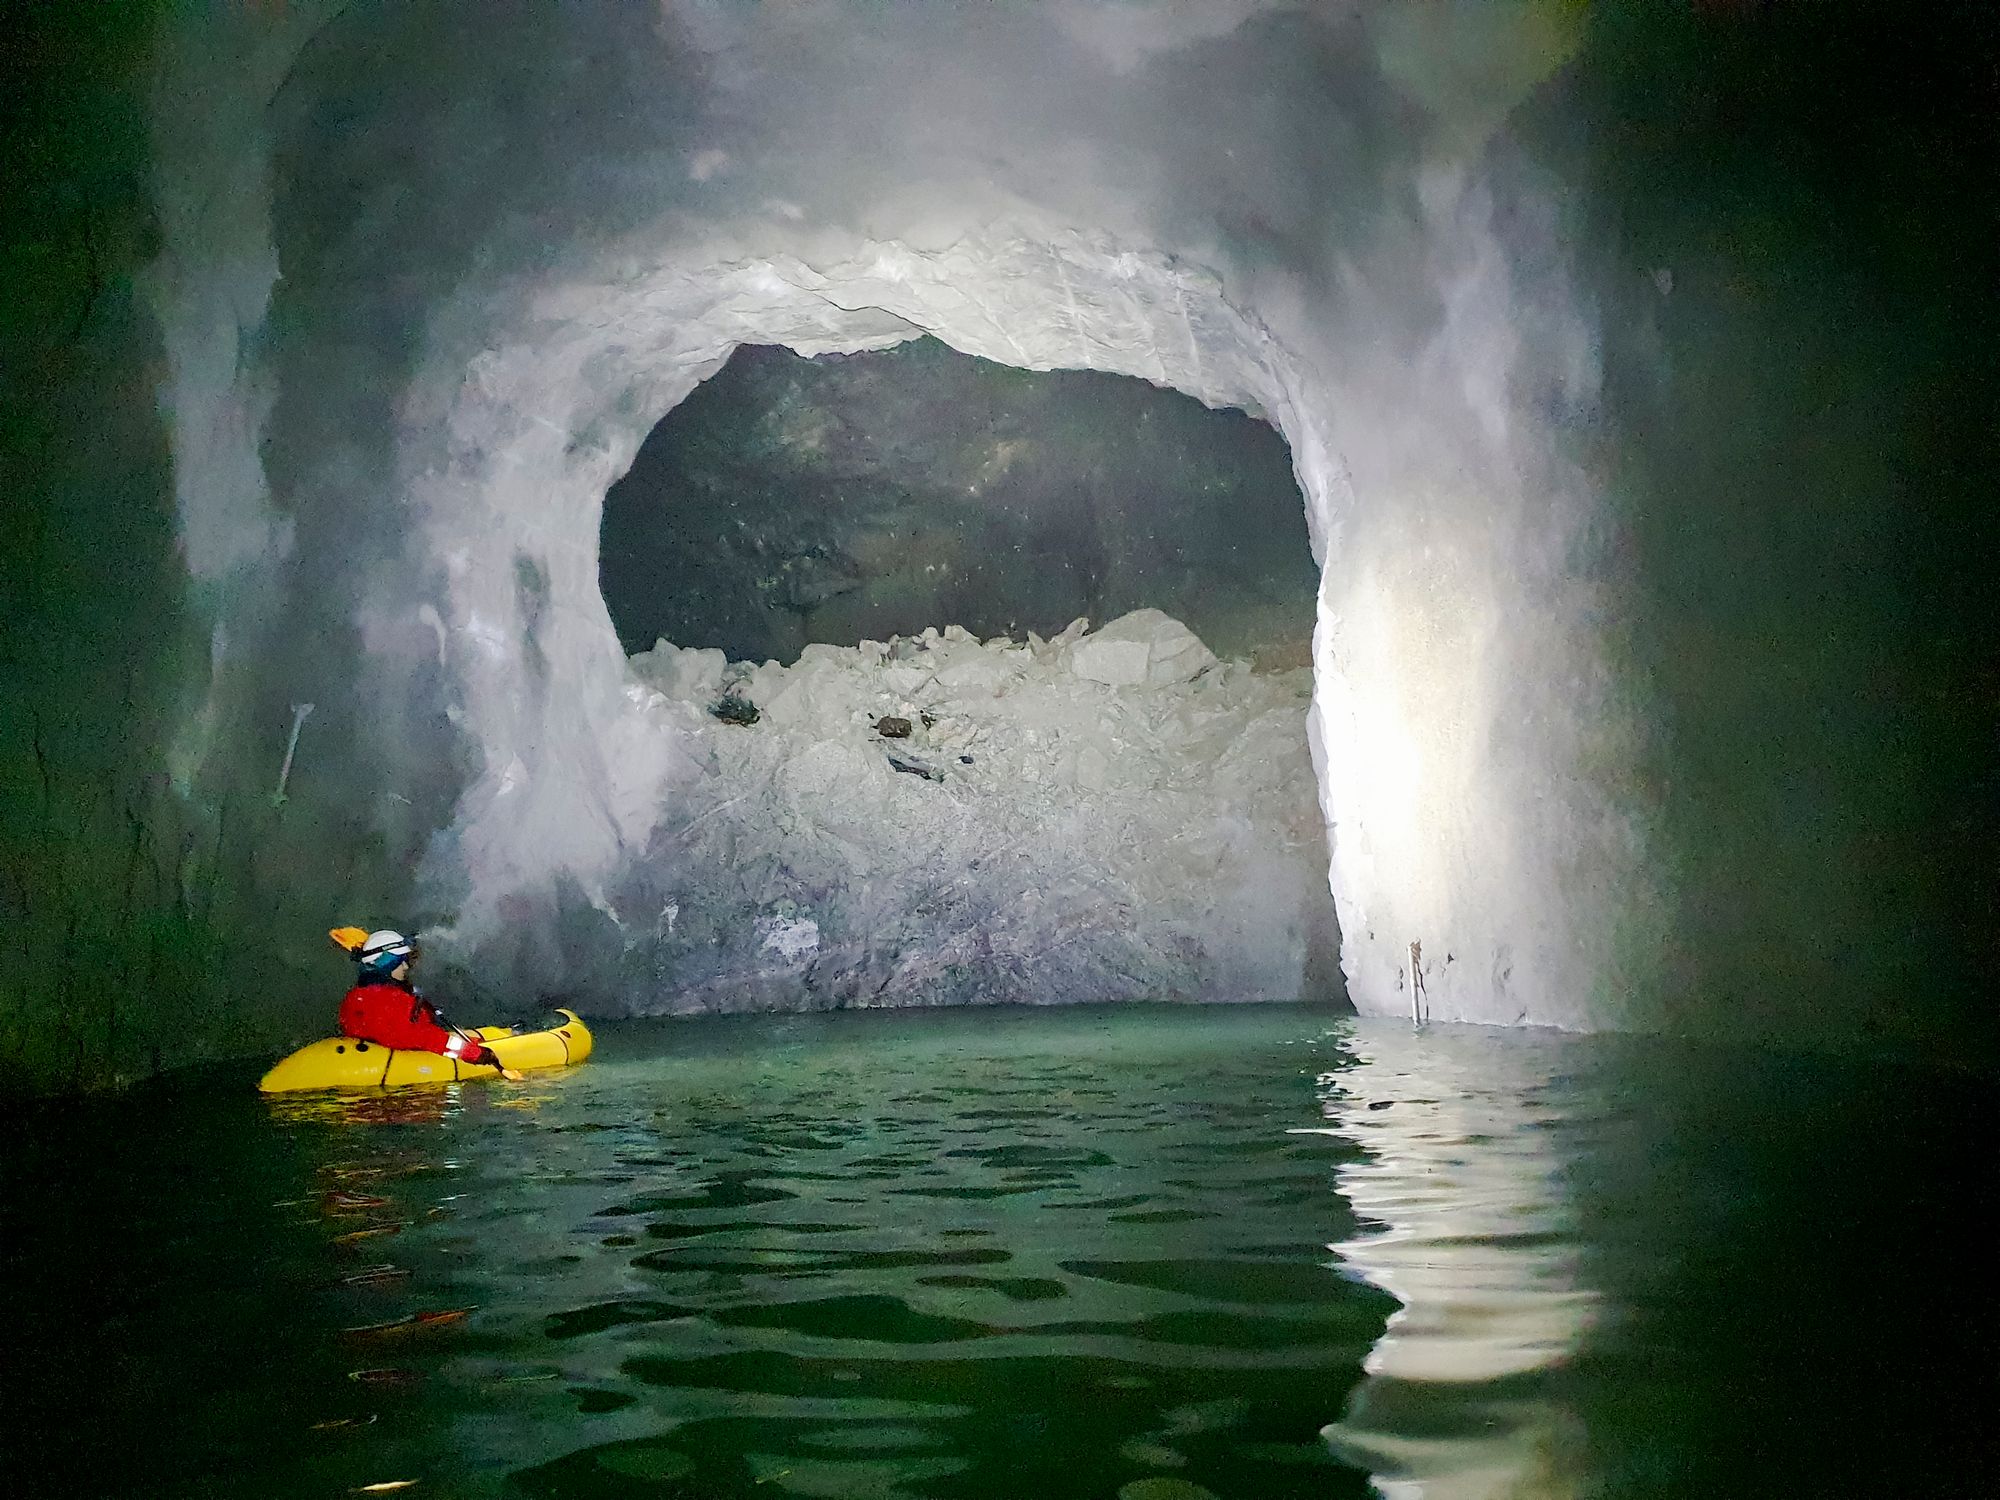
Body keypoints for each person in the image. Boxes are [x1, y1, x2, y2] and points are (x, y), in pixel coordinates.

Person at [334, 928, 522, 1080]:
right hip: (397, 1079)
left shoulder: (357, 995)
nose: (406, 967)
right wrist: (472, 1053)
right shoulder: (392, 1000)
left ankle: (503, 1033)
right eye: (402, 962)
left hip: (369, 1054)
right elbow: (420, 1037)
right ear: (387, 965)